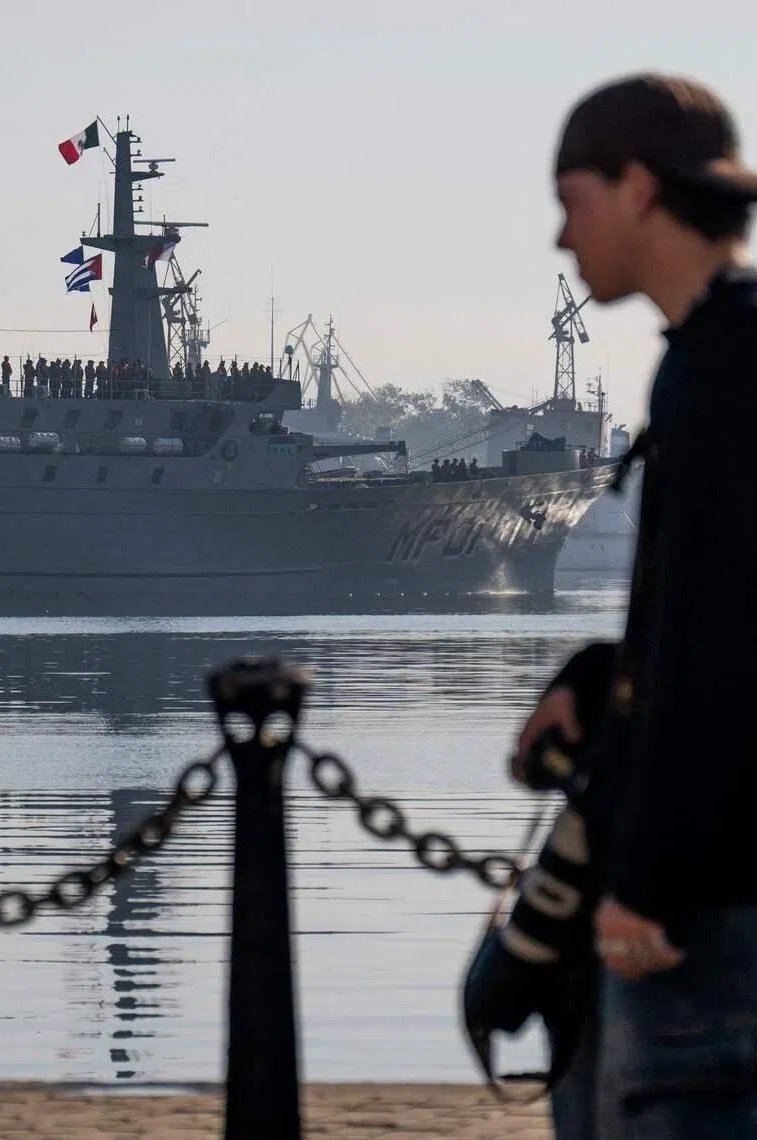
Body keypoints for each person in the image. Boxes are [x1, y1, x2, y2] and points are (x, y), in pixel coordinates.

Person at [513, 73, 757, 1139]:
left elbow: (727, 651)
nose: (563, 238)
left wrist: (644, 883)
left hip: (702, 912)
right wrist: (596, 679)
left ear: (639, 189)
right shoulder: (711, 360)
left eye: (573, 200)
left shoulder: (723, 374)